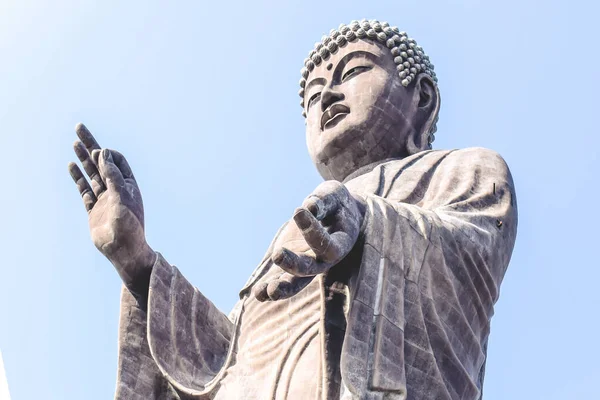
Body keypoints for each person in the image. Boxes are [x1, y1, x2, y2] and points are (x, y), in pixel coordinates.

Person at [68, 19, 518, 400]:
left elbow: (469, 249)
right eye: (314, 93)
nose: (327, 97)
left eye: (353, 71)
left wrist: (366, 225)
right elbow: (228, 366)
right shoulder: (297, 228)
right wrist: (138, 263)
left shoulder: (462, 170)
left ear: (421, 98)